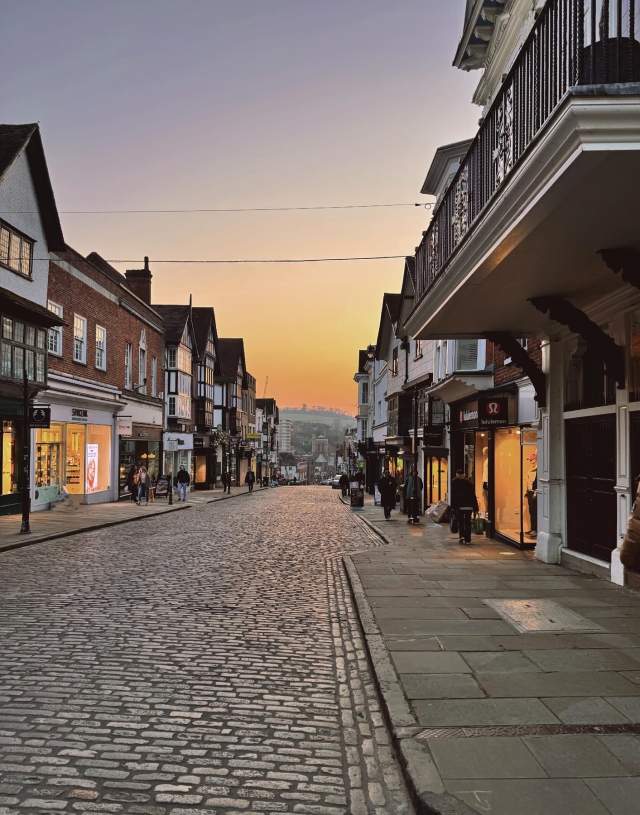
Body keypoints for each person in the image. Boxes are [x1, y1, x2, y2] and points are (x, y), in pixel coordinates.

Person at [450, 469, 479, 545]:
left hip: (459, 506)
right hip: (468, 506)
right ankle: (468, 539)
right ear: (464, 474)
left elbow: (453, 496)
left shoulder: (454, 482)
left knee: (461, 522)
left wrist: (452, 506)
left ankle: (462, 536)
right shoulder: (469, 483)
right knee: (467, 522)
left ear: (457, 474)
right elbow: (473, 496)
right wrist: (476, 507)